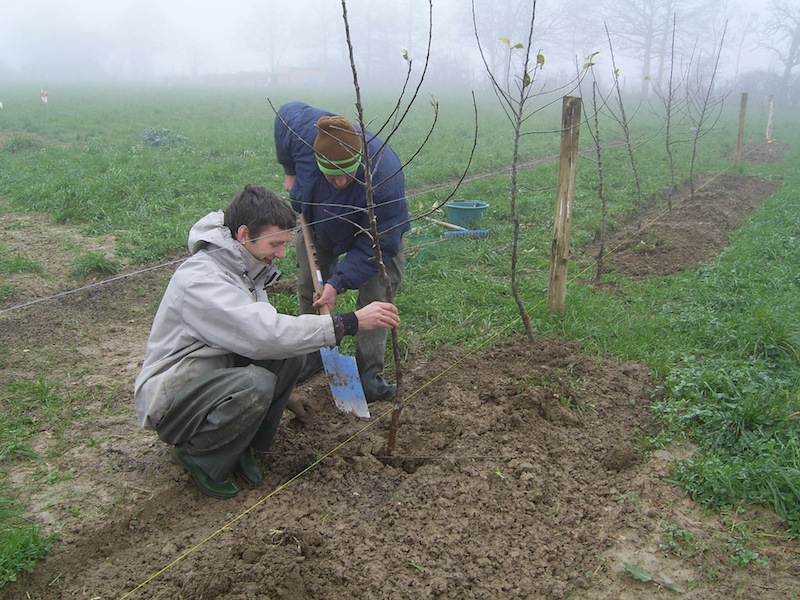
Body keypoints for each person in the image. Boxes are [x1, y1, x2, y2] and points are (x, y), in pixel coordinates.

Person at [133, 185, 399, 499]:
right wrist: (348, 322)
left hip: (212, 377)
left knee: (290, 357)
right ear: (245, 234)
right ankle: (203, 455)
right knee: (257, 382)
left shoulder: (244, 267)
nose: (281, 254)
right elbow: (266, 334)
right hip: (176, 398)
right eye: (275, 244)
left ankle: (242, 445)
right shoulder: (203, 281)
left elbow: (270, 341)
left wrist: (284, 392)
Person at [274, 101, 409, 403]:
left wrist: (338, 281)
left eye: (347, 175)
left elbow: (381, 244)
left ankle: (368, 374)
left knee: (376, 298)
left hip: (373, 235)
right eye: (331, 175)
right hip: (319, 223)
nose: (339, 181)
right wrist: (290, 171)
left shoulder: (385, 175)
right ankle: (313, 354)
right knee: (311, 286)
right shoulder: (302, 131)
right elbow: (283, 114)